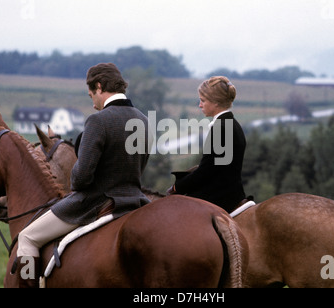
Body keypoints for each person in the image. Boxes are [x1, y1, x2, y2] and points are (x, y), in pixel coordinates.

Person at [13, 63, 151, 287]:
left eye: (91, 96)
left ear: (98, 86)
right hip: (136, 200)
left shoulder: (97, 121)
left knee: (27, 237)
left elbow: (80, 179)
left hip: (95, 202)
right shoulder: (143, 120)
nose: (93, 104)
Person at [167, 76, 247, 213]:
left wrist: (178, 186)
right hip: (232, 192)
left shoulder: (220, 127)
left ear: (216, 102)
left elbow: (206, 171)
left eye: (203, 100)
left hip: (219, 197)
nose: (200, 105)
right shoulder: (233, 124)